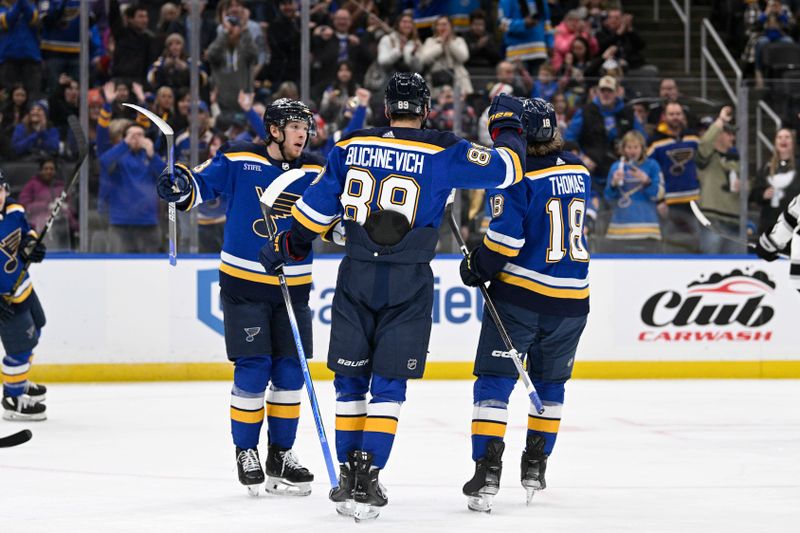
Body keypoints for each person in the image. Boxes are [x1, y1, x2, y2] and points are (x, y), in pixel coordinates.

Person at [259, 72, 527, 521]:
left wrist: (288, 244)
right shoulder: (444, 148)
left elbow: (314, 209)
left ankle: (348, 473)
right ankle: (370, 473)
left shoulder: (349, 144)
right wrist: (506, 127)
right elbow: (508, 169)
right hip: (408, 280)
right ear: (424, 110)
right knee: (388, 384)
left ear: (386, 109)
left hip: (356, 274)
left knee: (349, 382)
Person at [155, 98, 325, 497]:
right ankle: (246, 450)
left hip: (294, 288)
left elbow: (333, 216)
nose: (303, 133)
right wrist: (178, 184)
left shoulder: (316, 169)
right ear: (275, 130)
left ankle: (281, 454)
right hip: (244, 284)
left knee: (289, 374)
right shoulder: (238, 157)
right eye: (295, 126)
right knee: (253, 367)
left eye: (306, 126)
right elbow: (198, 185)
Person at [456, 98, 589, 512]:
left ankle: (488, 471)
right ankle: (536, 466)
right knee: (551, 385)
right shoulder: (580, 170)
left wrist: (476, 265)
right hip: (573, 301)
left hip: (521, 299)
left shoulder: (518, 176)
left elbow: (506, 243)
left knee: (495, 382)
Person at [0, 169, 48, 421]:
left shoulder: (14, 210)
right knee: (20, 347)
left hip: (22, 288)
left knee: (37, 328)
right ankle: (13, 398)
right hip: (3, 300)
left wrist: (32, 246)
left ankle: (18, 379)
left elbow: (25, 232)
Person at [98, 122, 164, 253]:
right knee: (118, 266)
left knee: (151, 268)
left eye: (140, 135)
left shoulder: (150, 158)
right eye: (132, 135)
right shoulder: (118, 156)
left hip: (148, 222)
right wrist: (124, 144)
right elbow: (104, 162)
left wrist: (152, 154)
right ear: (124, 138)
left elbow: (166, 176)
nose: (136, 138)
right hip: (120, 223)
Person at [647, 101, 701, 253]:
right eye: (671, 114)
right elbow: (651, 172)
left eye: (678, 114)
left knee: (696, 243)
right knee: (668, 244)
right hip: (668, 202)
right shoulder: (655, 141)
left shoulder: (693, 138)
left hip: (693, 201)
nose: (675, 117)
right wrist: (659, 199)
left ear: (683, 116)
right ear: (664, 116)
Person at [603, 130, 662, 253]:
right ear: (623, 149)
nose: (632, 151)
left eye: (636, 147)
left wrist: (646, 181)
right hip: (619, 231)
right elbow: (608, 198)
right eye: (629, 147)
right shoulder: (616, 167)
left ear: (642, 148)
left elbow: (659, 194)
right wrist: (613, 184)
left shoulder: (652, 165)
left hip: (647, 230)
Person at [696, 106, 742, 254]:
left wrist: (746, 186)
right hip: (712, 219)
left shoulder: (737, 160)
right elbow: (704, 144)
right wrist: (720, 121)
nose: (733, 138)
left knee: (734, 268)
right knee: (709, 266)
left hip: (734, 220)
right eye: (729, 133)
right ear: (719, 134)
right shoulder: (706, 157)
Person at [751, 128, 800, 235]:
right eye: (780, 137)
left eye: (787, 137)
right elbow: (754, 194)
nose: (783, 140)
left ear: (793, 142)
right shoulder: (766, 167)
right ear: (775, 142)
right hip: (771, 226)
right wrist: (763, 194)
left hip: (795, 226)